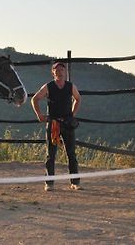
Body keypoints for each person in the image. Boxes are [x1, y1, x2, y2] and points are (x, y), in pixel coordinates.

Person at [31, 62, 82, 191]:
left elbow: (78, 99)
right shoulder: (48, 87)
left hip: (67, 123)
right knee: (51, 154)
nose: (60, 72)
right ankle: (49, 183)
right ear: (53, 72)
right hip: (53, 123)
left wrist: (72, 113)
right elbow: (35, 99)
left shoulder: (70, 86)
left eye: (61, 70)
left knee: (71, 153)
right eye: (57, 70)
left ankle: (75, 182)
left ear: (65, 72)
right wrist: (40, 115)